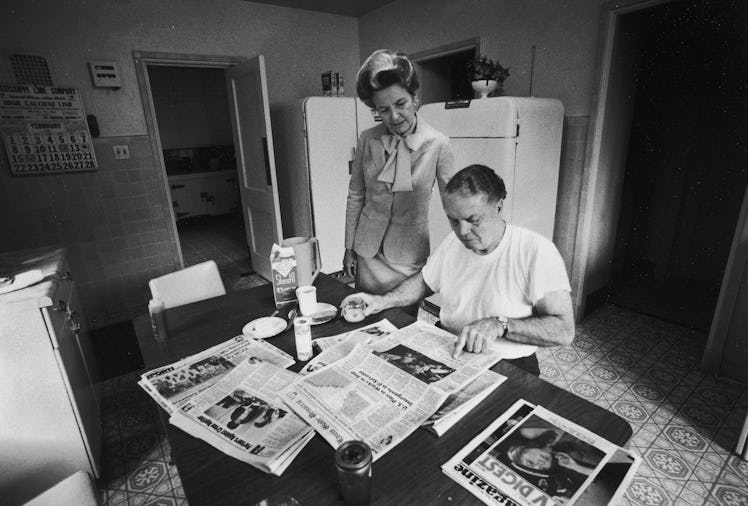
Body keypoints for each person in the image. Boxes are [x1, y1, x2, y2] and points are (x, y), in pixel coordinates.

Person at [341, 164, 574, 375]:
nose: (462, 232)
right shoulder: (454, 243)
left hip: (506, 362)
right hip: (448, 346)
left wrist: (500, 325)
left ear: (499, 206)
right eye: (453, 220)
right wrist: (381, 301)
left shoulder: (536, 251)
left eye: (473, 220)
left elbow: (564, 330)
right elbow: (424, 282)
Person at [344, 49, 455, 314]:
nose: (394, 116)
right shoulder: (367, 138)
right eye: (383, 109)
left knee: (401, 325)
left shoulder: (438, 143)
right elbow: (355, 195)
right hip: (367, 250)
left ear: (416, 98)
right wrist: (349, 248)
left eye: (401, 104)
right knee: (364, 320)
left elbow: (453, 204)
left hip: (407, 255)